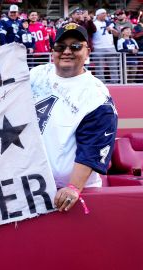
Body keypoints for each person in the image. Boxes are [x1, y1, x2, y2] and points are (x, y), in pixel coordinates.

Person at [30, 23, 117, 212]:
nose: (67, 51)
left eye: (75, 46)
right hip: (35, 187)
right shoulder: (37, 74)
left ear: (87, 52)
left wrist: (73, 187)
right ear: (52, 51)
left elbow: (93, 146)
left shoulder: (96, 96)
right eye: (60, 47)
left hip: (75, 192)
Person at [92, 9, 119, 84]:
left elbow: (117, 34)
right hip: (98, 47)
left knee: (114, 66)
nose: (105, 14)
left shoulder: (110, 23)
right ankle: (101, 83)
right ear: (97, 15)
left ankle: (115, 81)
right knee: (99, 67)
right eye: (102, 13)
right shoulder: (94, 24)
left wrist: (112, 29)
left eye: (105, 13)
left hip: (110, 47)